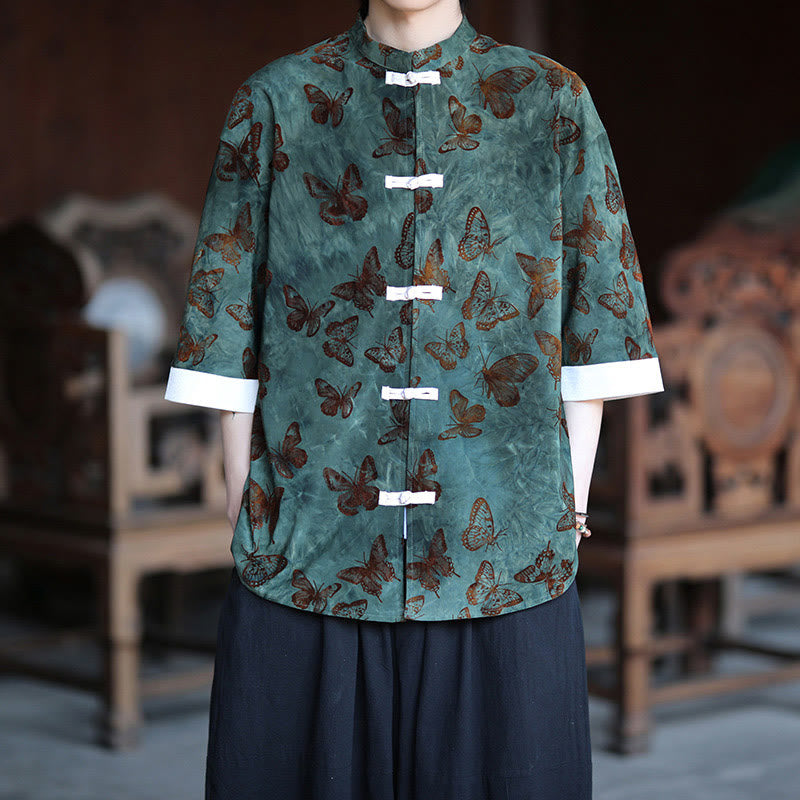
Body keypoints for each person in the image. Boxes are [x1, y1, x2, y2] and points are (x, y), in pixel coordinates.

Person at [164, 0, 665, 797]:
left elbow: (600, 316)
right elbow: (226, 312)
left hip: (504, 547)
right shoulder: (277, 100)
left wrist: (565, 510)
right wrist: (242, 497)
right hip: (307, 541)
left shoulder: (550, 99)